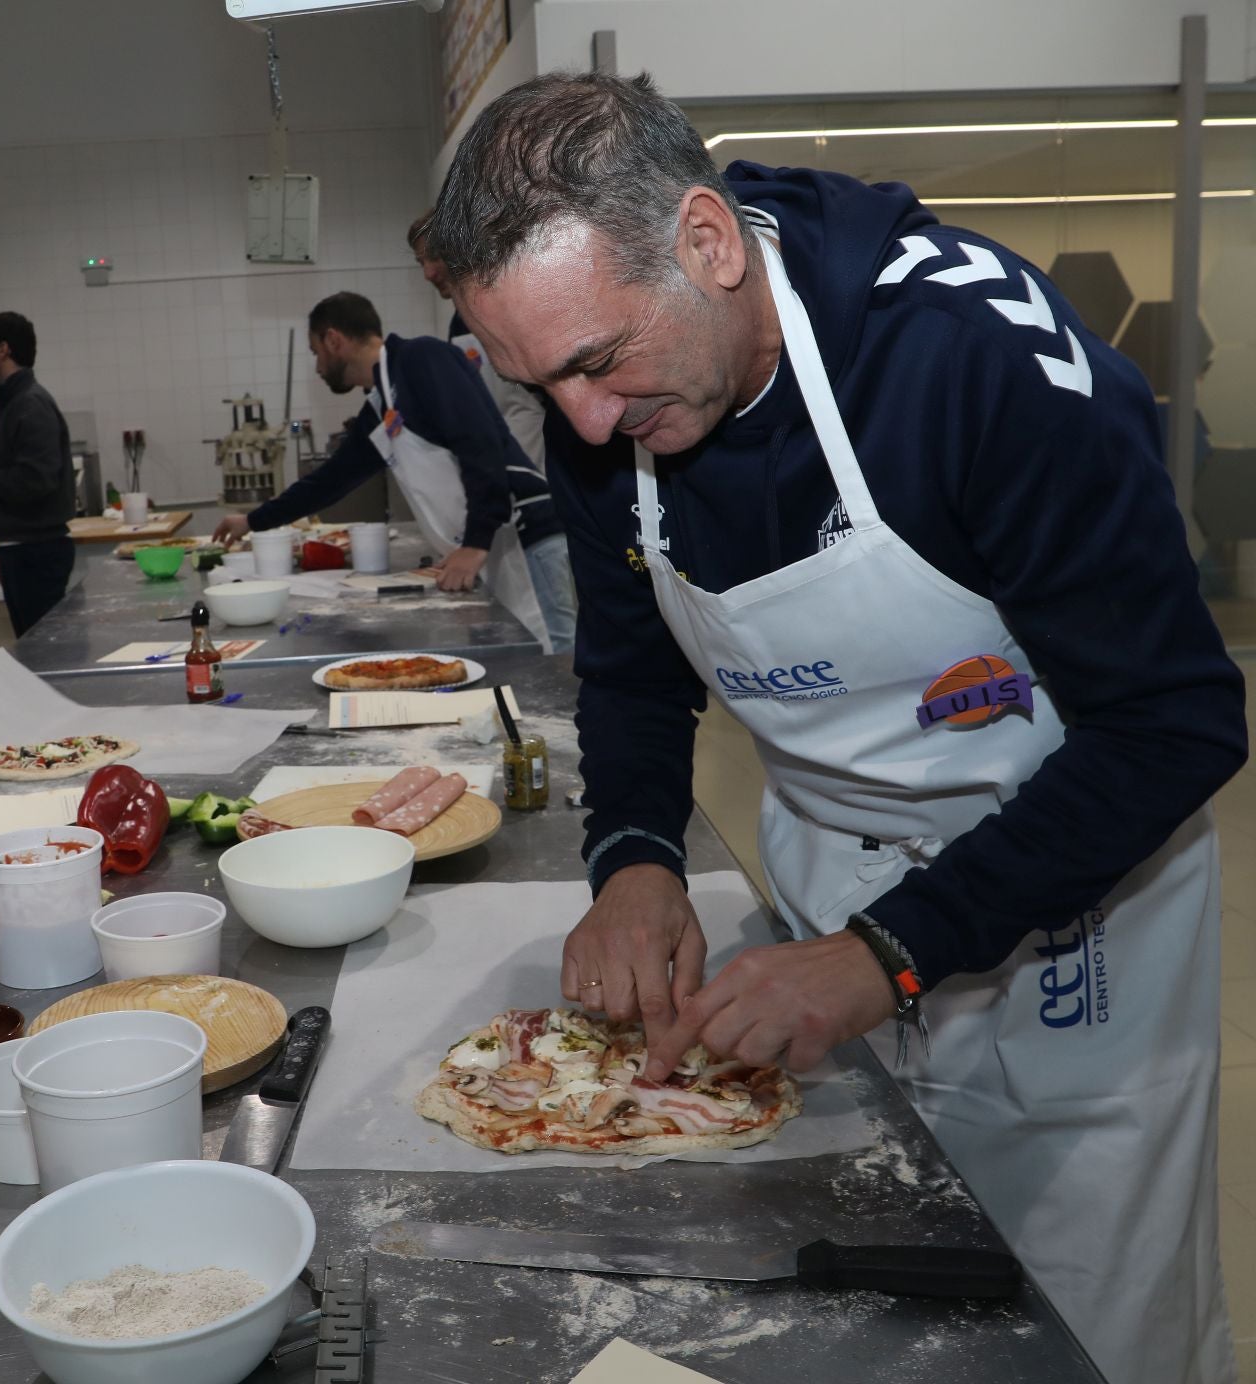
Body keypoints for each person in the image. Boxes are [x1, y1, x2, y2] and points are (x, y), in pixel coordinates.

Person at [425, 72, 1243, 1384]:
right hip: (827, 894)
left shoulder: (976, 365)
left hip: (1072, 928)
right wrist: (633, 857)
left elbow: (1175, 725)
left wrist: (894, 955)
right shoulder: (602, 415)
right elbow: (635, 669)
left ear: (706, 242)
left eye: (595, 363)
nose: (579, 423)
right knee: (860, 1321)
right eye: (536, 384)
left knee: (1085, 1337)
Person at [212, 291, 576, 655]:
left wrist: (475, 543)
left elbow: (479, 446)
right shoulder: (382, 404)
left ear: (333, 340)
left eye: (315, 353)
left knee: (555, 661)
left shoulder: (423, 359)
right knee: (521, 663)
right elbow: (329, 481)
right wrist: (253, 521)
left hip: (526, 537)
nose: (318, 367)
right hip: (493, 548)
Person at [0, 312, 76, 636]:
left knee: (45, 656)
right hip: (22, 549)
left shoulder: (29, 404)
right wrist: (7, 549)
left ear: (3, 350)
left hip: (36, 554)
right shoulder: (14, 401)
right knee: (35, 650)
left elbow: (38, 478)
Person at [408, 210, 549, 476]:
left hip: (542, 449)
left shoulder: (505, 306)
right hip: (502, 457)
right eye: (420, 262)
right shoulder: (459, 324)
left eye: (434, 257)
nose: (427, 273)